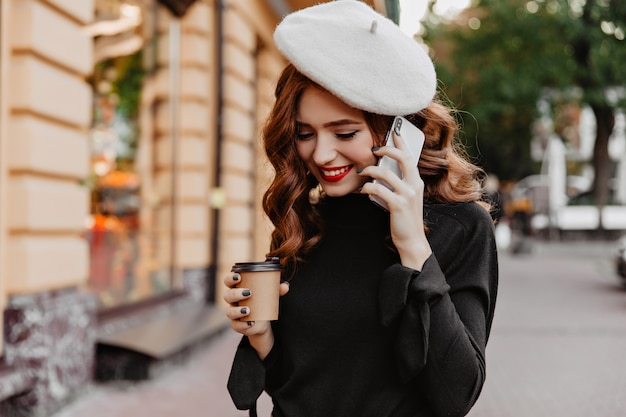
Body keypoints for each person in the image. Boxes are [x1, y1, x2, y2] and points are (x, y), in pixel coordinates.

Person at [223, 2, 498, 416]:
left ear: (398, 130)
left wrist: (414, 248)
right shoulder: (305, 222)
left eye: (344, 131)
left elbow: (457, 394)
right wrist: (262, 337)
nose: (322, 153)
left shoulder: (461, 226)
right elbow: (294, 386)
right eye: (304, 133)